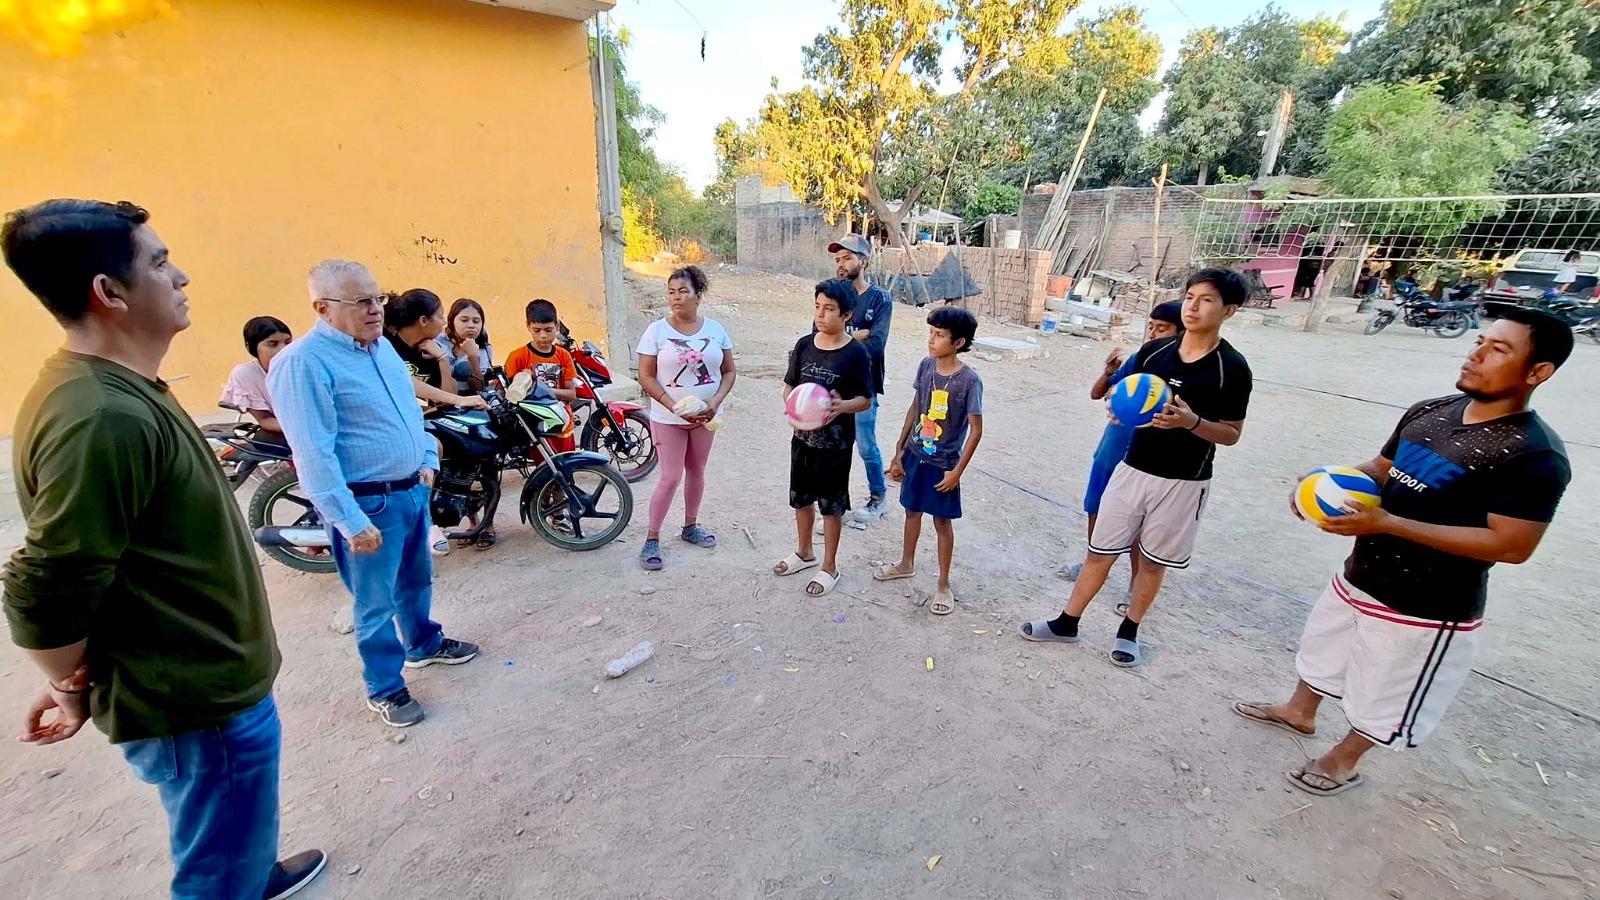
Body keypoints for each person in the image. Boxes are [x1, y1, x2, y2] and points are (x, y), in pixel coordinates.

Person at [1, 199, 325, 899]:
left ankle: (252, 868)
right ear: (108, 292)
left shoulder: (122, 388)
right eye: (158, 262)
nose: (180, 278)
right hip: (194, 707)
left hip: (207, 693)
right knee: (214, 873)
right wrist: (67, 684)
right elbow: (44, 582)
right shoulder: (101, 416)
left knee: (233, 836)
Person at [1234, 307, 1572, 797]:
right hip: (1363, 573)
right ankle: (1299, 712)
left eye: (1498, 350)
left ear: (1538, 372)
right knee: (1325, 649)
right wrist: (1322, 483)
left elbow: (1513, 545)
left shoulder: (1533, 455)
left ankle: (1344, 760)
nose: (1475, 355)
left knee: (1387, 688)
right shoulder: (1430, 411)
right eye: (1479, 341)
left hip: (1428, 605)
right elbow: (1381, 466)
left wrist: (1389, 523)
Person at [269, 260, 480, 729]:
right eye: (361, 301)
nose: (375, 309)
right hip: (367, 503)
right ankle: (384, 686)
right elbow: (312, 451)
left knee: (416, 581)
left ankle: (423, 644)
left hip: (409, 492)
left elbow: (410, 410)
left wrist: (426, 459)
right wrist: (348, 520)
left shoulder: (381, 348)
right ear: (322, 308)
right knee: (375, 602)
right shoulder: (303, 364)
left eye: (377, 298)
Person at [1019, 268, 1253, 668]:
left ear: (1229, 311)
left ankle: (1129, 632)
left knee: (1151, 562)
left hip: (1183, 481)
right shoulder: (1154, 353)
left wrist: (1191, 422)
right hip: (1133, 469)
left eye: (1207, 300)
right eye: (1190, 296)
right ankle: (1067, 622)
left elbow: (1231, 434)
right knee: (1099, 551)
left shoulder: (1231, 368)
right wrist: (1118, 408)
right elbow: (1121, 394)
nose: (1193, 307)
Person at [1058, 300, 1186, 609]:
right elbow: (1096, 393)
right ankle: (1092, 562)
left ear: (1181, 332)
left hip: (1142, 462)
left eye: (1163, 329)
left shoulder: (1181, 372)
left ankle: (1134, 584)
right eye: (1151, 327)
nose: (1154, 334)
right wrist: (1108, 374)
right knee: (1095, 510)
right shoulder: (1139, 360)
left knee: (1139, 528)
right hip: (1110, 452)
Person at [874, 306, 984, 615]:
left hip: (944, 463)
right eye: (931, 334)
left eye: (939, 335)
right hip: (915, 455)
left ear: (958, 342)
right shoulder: (926, 367)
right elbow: (915, 406)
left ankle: (944, 584)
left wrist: (957, 471)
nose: (932, 341)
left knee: (942, 522)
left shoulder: (969, 381)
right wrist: (899, 450)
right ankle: (906, 563)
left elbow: (976, 430)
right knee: (911, 512)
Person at [772, 278, 873, 597]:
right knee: (800, 498)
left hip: (835, 444)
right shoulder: (804, 345)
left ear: (846, 315)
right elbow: (789, 385)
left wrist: (841, 405)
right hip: (802, 439)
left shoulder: (856, 354)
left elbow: (865, 399)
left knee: (831, 505)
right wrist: (792, 405)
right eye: (817, 307)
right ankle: (804, 552)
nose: (821, 314)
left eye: (829, 309)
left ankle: (830, 565)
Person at [635, 265, 737, 571]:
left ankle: (690, 526)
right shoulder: (656, 331)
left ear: (698, 294)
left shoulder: (716, 330)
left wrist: (715, 402)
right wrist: (670, 404)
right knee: (669, 476)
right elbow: (645, 375)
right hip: (668, 418)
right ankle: (652, 538)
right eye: (671, 292)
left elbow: (729, 371)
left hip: (706, 416)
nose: (676, 298)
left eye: (683, 291)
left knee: (697, 470)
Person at [827, 234, 893, 524]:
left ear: (863, 261)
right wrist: (857, 335)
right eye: (838, 260)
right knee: (835, 447)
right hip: (832, 385)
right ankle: (835, 504)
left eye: (847, 258)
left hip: (863, 386)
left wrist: (843, 337)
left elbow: (877, 345)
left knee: (866, 445)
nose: (841, 265)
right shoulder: (833, 296)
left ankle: (878, 498)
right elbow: (820, 337)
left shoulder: (879, 299)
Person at [503, 298, 581, 453]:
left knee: (566, 464)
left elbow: (571, 394)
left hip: (562, 420)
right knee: (543, 471)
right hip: (535, 424)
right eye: (537, 330)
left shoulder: (563, 356)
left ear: (557, 326)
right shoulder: (518, 357)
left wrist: (539, 389)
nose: (543, 336)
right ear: (528, 327)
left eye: (548, 329)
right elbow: (510, 396)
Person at [222, 315, 293, 440]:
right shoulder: (245, 374)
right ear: (252, 347)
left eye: (287, 342)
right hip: (291, 434)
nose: (284, 350)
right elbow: (265, 419)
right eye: (273, 344)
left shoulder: (302, 366)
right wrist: (303, 429)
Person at [438, 297, 493, 395]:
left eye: (476, 321)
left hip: (470, 405)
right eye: (464, 320)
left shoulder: (484, 349)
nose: (471, 325)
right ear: (452, 321)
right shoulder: (438, 341)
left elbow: (479, 389)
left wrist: (473, 359)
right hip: (439, 402)